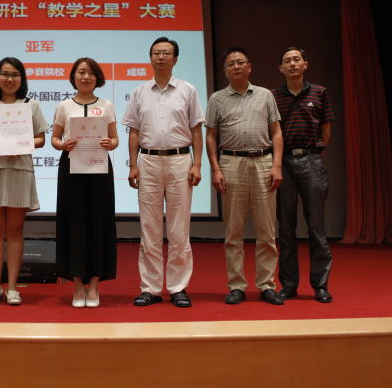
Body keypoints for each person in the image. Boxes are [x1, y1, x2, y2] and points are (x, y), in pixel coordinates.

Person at [122, 37, 204, 308]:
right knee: (150, 228)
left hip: (180, 161)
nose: (161, 57)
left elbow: (196, 129)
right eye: (156, 53)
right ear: (150, 58)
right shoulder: (139, 92)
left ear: (175, 59)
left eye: (166, 53)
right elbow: (133, 132)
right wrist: (132, 164)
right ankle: (151, 288)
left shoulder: (188, 90)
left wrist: (197, 163)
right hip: (148, 161)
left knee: (179, 229)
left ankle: (178, 288)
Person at [205, 47, 284, 306]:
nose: (236, 67)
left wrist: (277, 165)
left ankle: (266, 285)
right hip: (231, 163)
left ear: (249, 67)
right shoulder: (217, 99)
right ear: (225, 71)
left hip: (263, 162)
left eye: (241, 62)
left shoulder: (265, 95)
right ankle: (236, 285)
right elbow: (211, 136)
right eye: (231, 64)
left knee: (267, 231)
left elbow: (276, 132)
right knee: (233, 232)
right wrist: (215, 169)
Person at [0, 57, 47, 306]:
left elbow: (41, 139)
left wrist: (22, 143)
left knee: (15, 230)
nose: (10, 79)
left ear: (21, 78)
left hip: (18, 169)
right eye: (5, 74)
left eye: (15, 74)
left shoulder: (31, 105)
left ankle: (12, 288)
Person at [52, 58, 119, 308]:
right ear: (74, 77)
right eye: (81, 72)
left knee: (99, 222)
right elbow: (55, 139)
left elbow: (115, 139)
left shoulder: (106, 105)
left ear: (97, 77)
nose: (86, 77)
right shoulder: (64, 106)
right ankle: (78, 284)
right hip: (72, 168)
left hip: (99, 168)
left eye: (91, 73)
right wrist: (63, 144)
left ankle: (95, 284)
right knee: (74, 222)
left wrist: (110, 144)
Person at [272, 47, 334, 303]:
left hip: (311, 160)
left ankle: (320, 285)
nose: (292, 64)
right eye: (287, 61)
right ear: (281, 68)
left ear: (305, 64)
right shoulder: (273, 96)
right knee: (286, 228)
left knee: (316, 226)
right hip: (283, 163)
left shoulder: (319, 92)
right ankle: (288, 285)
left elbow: (326, 130)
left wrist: (314, 152)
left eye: (297, 59)